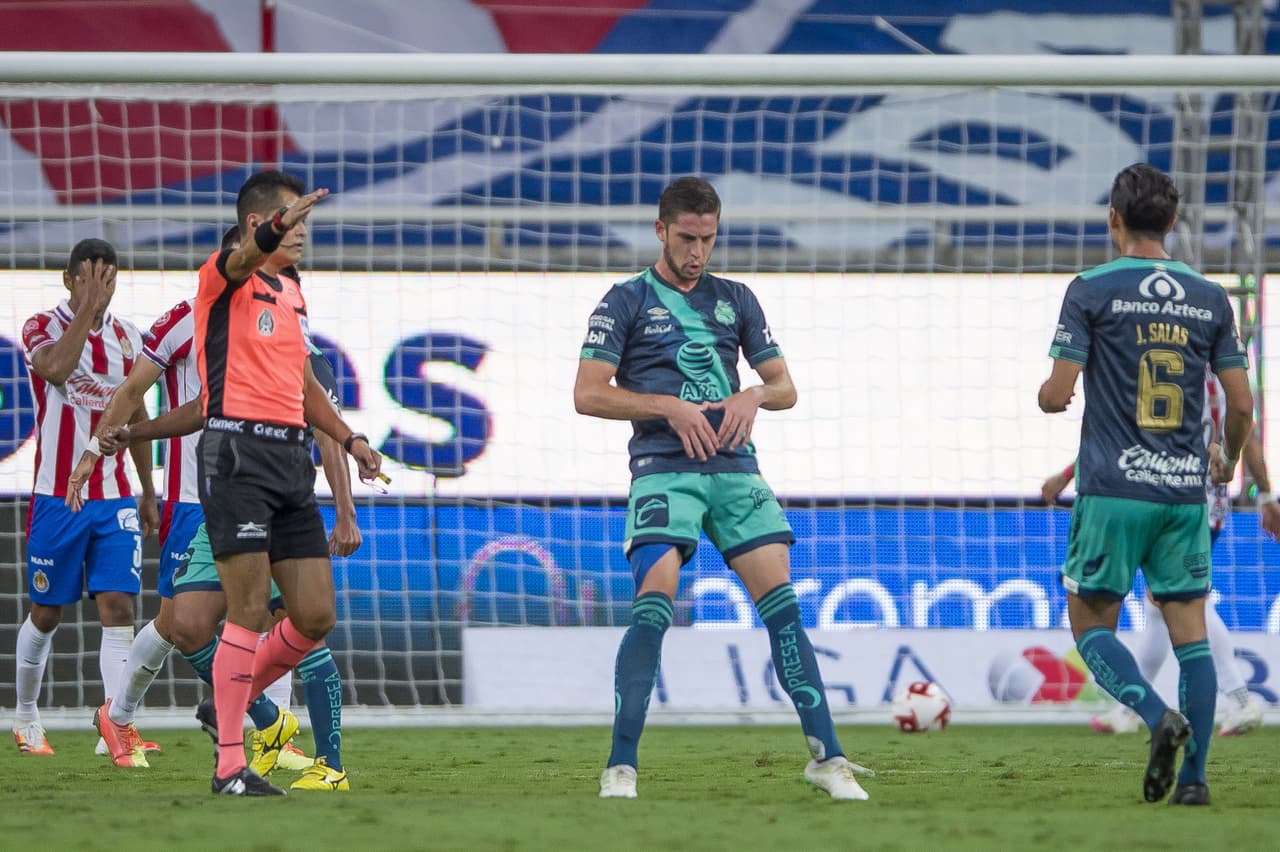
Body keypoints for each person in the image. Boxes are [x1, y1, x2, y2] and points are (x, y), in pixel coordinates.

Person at [574, 176, 871, 802]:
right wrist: (667, 407)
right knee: (655, 601)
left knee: (784, 606)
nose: (697, 252)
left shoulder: (736, 298)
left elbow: (785, 386)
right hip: (663, 469)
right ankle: (621, 766)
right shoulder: (624, 301)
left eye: (708, 239)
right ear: (661, 230)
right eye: (686, 238)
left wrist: (754, 394)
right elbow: (588, 393)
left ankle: (827, 757)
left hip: (737, 471)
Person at [66, 226, 361, 781]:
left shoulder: (290, 330)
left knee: (268, 616)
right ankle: (252, 723)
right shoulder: (188, 316)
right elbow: (138, 393)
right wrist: (98, 452)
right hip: (194, 495)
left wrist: (346, 493)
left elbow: (322, 424)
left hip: (264, 492)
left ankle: (275, 736)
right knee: (184, 622)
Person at [1038, 163, 1253, 806]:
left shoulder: (1091, 289)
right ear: (1174, 221)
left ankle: (1156, 714)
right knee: (1191, 634)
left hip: (1112, 492)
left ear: (1113, 218)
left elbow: (1058, 393)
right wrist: (1229, 460)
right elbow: (1240, 405)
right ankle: (1196, 782)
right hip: (1183, 494)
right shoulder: (1211, 297)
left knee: (1089, 625)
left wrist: (1049, 397)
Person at [192, 170, 380, 796]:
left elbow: (304, 386)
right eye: (291, 222)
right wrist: (274, 226)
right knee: (246, 611)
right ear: (258, 224)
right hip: (237, 456)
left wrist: (351, 440)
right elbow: (244, 255)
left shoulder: (294, 291)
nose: (302, 233)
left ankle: (230, 695)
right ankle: (228, 768)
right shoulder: (221, 278)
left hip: (290, 461)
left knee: (316, 614)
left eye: (304, 223)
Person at [1041, 378, 1278, 738]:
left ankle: (1239, 698)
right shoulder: (1226, 373)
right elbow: (1248, 431)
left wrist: (1067, 474)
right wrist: (1264, 495)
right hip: (1206, 501)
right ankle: (1130, 709)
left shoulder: (1172, 361)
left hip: (1171, 495)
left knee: (1183, 601)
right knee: (1160, 602)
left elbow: (1126, 436)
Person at [13, 240, 159, 757]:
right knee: (48, 611)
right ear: (69, 280)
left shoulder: (128, 338)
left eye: (111, 281)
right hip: (57, 495)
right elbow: (54, 369)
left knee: (119, 607)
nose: (104, 291)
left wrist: (147, 489)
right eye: (94, 280)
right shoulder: (40, 326)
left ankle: (115, 726)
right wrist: (86, 311)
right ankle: (26, 717)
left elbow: (137, 414)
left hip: (114, 495)